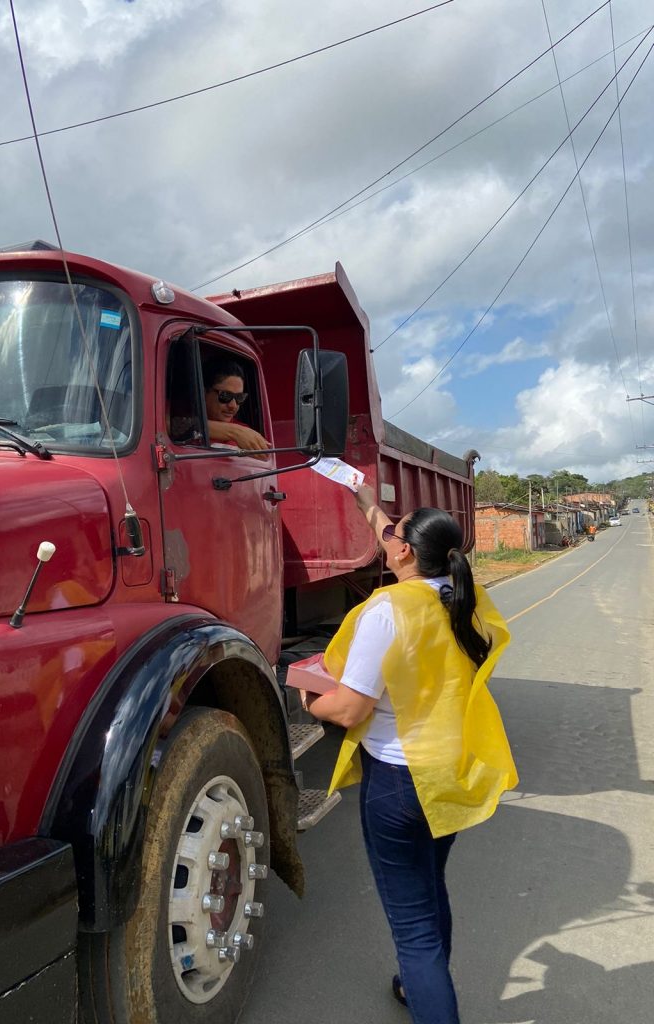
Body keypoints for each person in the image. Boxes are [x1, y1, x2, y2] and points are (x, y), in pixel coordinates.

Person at [305, 484, 517, 1024]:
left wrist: (311, 703)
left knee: (414, 928)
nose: (387, 534)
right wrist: (362, 497)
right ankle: (417, 986)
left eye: (393, 532)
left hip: (400, 783)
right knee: (429, 886)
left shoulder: (387, 611)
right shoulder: (465, 598)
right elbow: (389, 531)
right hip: (452, 772)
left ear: (402, 552)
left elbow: (351, 709)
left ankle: (427, 991)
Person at [201, 357, 269, 456]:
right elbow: (174, 425)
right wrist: (233, 432)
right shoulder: (180, 417)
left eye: (239, 397)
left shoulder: (247, 434)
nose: (233, 405)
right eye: (225, 395)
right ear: (203, 392)